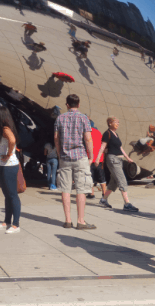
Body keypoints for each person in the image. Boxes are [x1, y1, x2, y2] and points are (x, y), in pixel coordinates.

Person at [54, 94, 95, 229]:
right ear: (78, 104)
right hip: (80, 157)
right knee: (81, 189)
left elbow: (56, 138)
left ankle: (67, 220)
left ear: (67, 105)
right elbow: (88, 139)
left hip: (65, 157)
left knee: (65, 189)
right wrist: (91, 156)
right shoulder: (83, 118)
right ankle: (81, 221)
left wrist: (60, 154)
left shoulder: (60, 118)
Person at [95, 117, 139, 212]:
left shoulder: (116, 134)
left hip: (119, 160)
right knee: (122, 180)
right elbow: (102, 147)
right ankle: (127, 204)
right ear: (110, 123)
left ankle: (103, 200)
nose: (118, 124)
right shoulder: (107, 133)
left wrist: (128, 158)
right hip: (113, 159)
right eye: (116, 122)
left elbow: (120, 148)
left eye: (118, 122)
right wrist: (98, 158)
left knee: (113, 182)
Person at [0, 106, 22, 234]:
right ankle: (7, 221)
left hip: (10, 165)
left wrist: (9, 153)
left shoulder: (5, 128)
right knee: (7, 195)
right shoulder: (3, 129)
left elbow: (12, 140)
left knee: (12, 194)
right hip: (3, 165)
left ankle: (16, 224)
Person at [88, 125, 106, 200]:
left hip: (90, 159)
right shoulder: (98, 132)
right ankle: (104, 194)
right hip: (100, 159)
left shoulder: (86, 132)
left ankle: (92, 194)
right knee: (101, 177)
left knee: (90, 177)